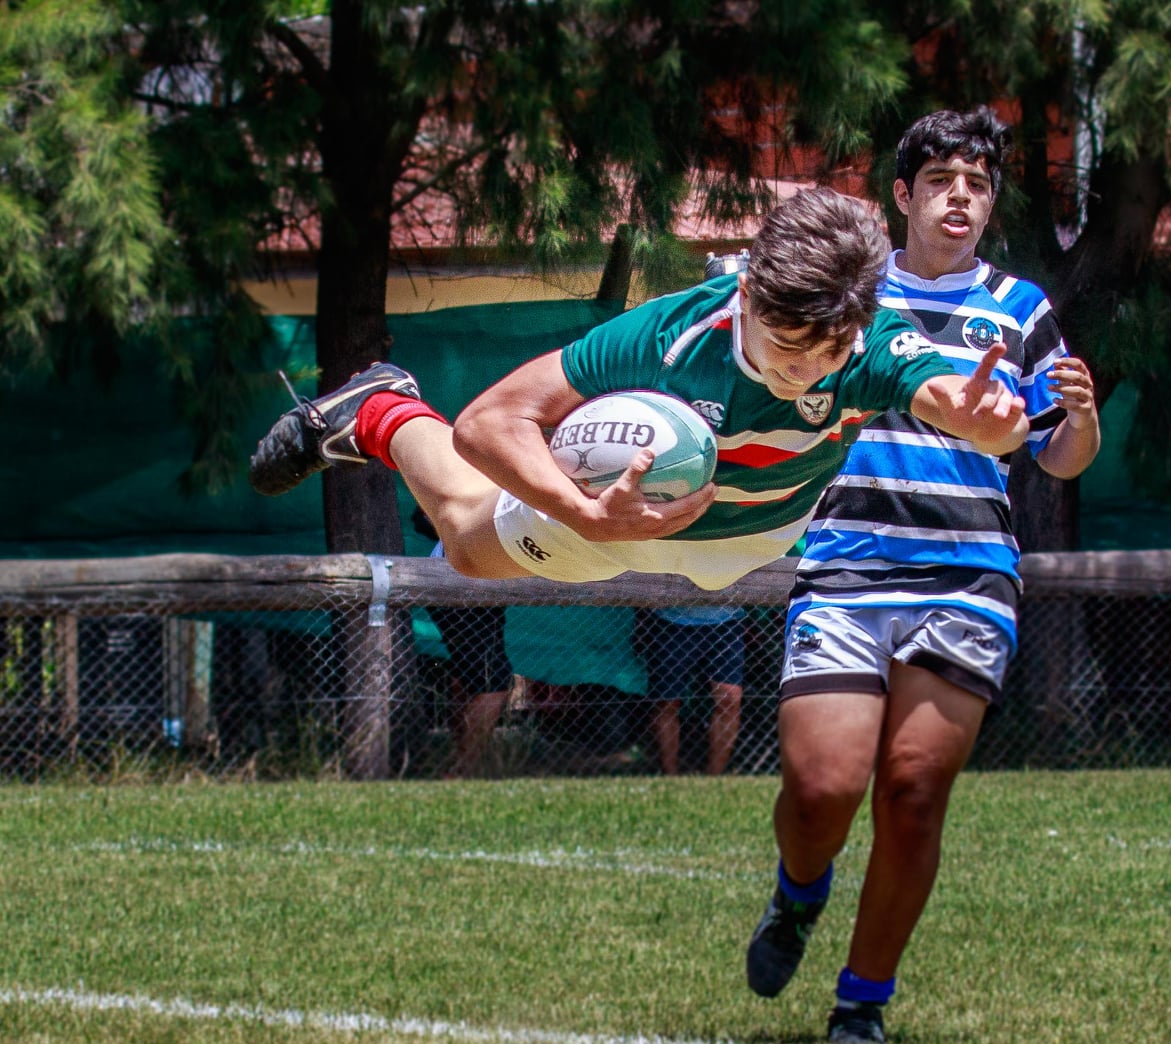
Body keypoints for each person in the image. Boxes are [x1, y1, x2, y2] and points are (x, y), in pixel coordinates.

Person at [741, 109, 1102, 1044]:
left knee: (911, 789)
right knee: (822, 789)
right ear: (901, 196)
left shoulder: (1022, 310)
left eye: (978, 186)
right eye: (941, 180)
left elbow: (1059, 458)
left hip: (967, 575)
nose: (961, 199)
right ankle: (796, 894)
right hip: (844, 568)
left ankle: (862, 1000)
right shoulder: (849, 298)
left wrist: (1083, 420)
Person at [247, 188, 1028, 595]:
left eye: (826, 352)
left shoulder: (869, 339)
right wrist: (584, 509)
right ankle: (379, 410)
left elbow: (953, 398)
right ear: (747, 294)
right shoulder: (668, 336)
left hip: (752, 539)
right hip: (617, 521)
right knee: (464, 544)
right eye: (787, 346)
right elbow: (488, 423)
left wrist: (982, 422)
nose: (804, 370)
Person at [413, 508, 513, 777]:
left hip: (467, 579)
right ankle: (465, 770)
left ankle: (461, 758)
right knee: (494, 682)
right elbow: (422, 515)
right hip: (462, 581)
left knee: (469, 676)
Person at [644, 605, 746, 775]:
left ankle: (715, 778)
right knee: (667, 703)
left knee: (729, 699)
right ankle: (670, 778)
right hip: (672, 620)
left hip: (728, 620)